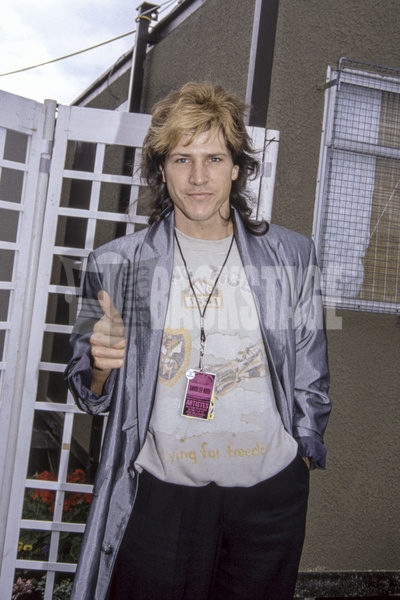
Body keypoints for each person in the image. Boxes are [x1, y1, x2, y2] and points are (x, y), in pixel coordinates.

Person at [65, 81, 331, 600]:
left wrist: (303, 454)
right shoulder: (118, 264)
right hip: (161, 498)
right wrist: (99, 366)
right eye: (182, 159)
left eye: (214, 158)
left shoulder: (291, 257)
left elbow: (312, 372)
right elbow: (87, 394)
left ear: (236, 168)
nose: (198, 177)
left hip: (268, 497)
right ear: (161, 169)